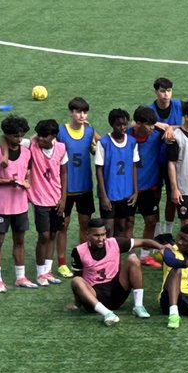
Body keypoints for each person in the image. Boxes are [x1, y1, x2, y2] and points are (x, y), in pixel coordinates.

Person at [69, 218, 162, 324]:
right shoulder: (79, 251)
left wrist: (161, 247)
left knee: (133, 259)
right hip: (95, 297)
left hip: (116, 294)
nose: (101, 239)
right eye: (96, 235)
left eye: (103, 234)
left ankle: (138, 306)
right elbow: (78, 282)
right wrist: (77, 304)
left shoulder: (114, 243)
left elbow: (143, 242)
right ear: (87, 234)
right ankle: (107, 313)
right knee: (76, 280)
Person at [0, 115, 35, 291]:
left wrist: (26, 183)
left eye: (21, 135)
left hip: (20, 205)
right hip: (2, 206)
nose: (19, 139)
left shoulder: (27, 153)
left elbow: (28, 175)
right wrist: (7, 182)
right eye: (15, 135)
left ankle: (20, 277)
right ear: (6, 134)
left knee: (20, 240)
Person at [56, 96, 95, 277]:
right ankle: (62, 263)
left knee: (85, 226)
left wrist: (94, 136)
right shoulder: (60, 132)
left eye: (84, 112)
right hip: (66, 189)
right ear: (71, 112)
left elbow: (99, 147)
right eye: (78, 112)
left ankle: (82, 261)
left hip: (85, 187)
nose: (82, 115)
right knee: (63, 226)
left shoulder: (89, 131)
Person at [28, 118, 67, 286]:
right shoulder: (32, 146)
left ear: (54, 136)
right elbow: (6, 138)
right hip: (40, 199)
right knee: (43, 235)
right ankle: (40, 273)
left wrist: (63, 198)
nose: (41, 139)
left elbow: (64, 173)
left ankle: (47, 271)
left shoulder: (61, 148)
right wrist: (35, 137)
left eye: (45, 136)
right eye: (39, 135)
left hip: (56, 198)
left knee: (53, 234)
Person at [130, 105, 169, 266]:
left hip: (149, 188)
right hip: (129, 189)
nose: (152, 128)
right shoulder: (126, 135)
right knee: (128, 223)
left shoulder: (156, 136)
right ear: (138, 123)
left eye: (154, 125)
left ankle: (145, 255)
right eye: (149, 125)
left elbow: (175, 128)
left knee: (151, 221)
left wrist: (166, 127)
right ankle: (131, 256)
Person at [94, 108, 139, 238]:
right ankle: (107, 251)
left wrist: (135, 191)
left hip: (126, 193)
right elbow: (99, 170)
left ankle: (116, 251)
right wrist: (103, 196)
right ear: (112, 125)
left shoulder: (132, 142)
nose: (123, 127)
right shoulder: (103, 143)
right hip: (109, 193)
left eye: (125, 124)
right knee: (107, 228)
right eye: (119, 125)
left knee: (121, 226)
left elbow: (134, 166)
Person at [148, 77, 184, 240]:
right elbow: (135, 123)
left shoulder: (178, 105)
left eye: (168, 91)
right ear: (156, 92)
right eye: (162, 91)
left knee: (172, 195)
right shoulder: (149, 110)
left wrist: (172, 128)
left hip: (173, 159)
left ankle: (168, 230)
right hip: (154, 160)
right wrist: (156, 124)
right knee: (155, 196)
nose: (166, 95)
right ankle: (157, 232)